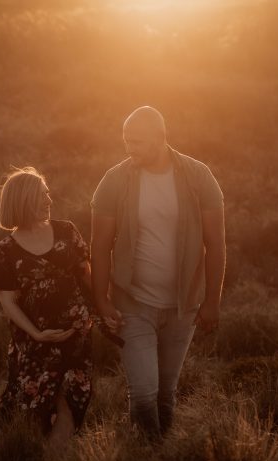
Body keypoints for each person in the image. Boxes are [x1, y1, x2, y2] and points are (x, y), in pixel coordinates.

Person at [90, 106, 226, 439]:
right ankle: (146, 460)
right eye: (126, 140)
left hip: (183, 305)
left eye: (136, 141)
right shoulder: (114, 180)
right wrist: (102, 300)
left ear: (160, 139)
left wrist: (212, 302)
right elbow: (99, 246)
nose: (129, 148)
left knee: (166, 393)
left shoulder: (199, 176)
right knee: (143, 393)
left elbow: (217, 244)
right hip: (133, 303)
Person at [0, 167, 93, 448]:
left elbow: (87, 275)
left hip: (75, 337)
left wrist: (103, 309)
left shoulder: (66, 230)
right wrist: (36, 333)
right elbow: (7, 300)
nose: (49, 200)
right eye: (40, 196)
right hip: (35, 343)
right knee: (38, 405)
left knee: (75, 397)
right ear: (23, 201)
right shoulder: (5, 250)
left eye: (47, 193)